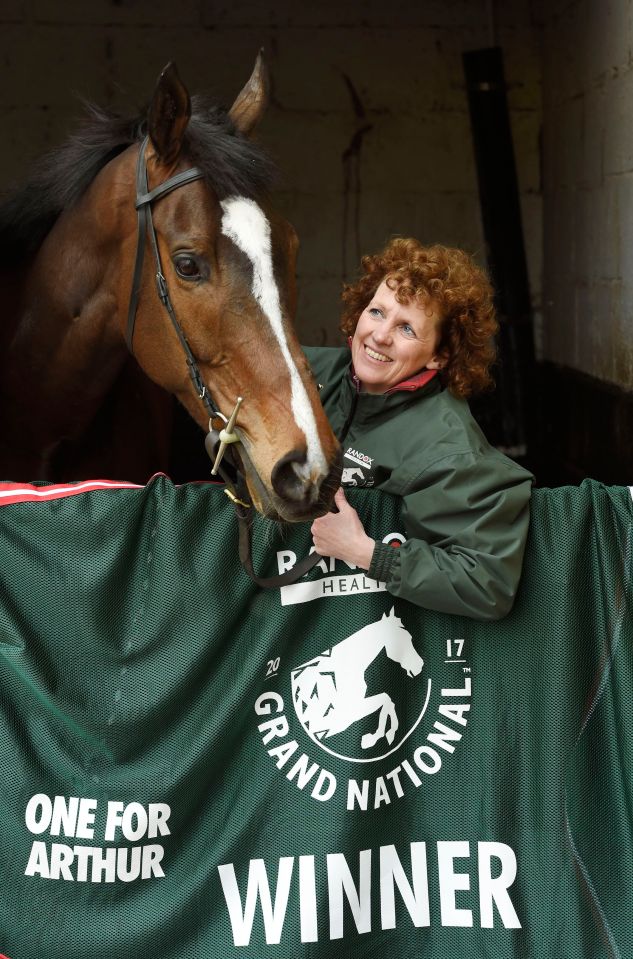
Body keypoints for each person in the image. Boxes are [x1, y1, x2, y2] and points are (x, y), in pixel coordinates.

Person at [307, 238, 533, 620]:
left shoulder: (448, 446)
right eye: (377, 312)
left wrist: (364, 552)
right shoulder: (305, 375)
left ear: (440, 356)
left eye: (407, 329)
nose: (380, 335)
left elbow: (487, 582)